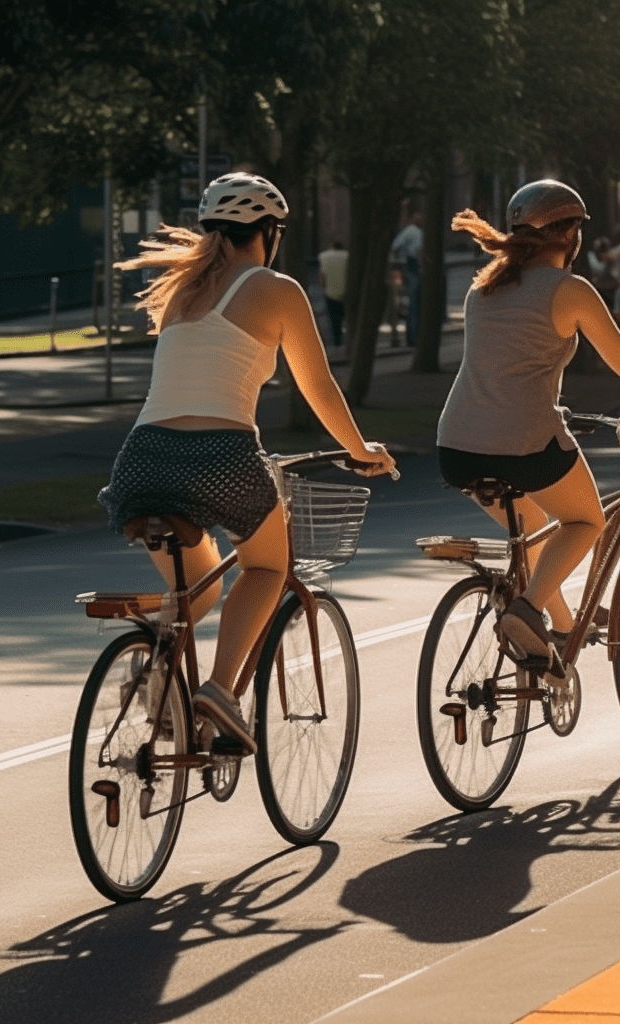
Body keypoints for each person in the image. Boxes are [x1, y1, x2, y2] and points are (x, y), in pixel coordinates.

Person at [98, 173, 396, 753]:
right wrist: (362, 451)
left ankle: (156, 666)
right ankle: (220, 692)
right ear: (266, 232)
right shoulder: (276, 289)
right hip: (222, 458)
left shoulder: (181, 291)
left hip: (142, 459)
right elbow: (319, 387)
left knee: (197, 593)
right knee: (266, 569)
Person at [438, 179, 620, 668]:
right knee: (585, 520)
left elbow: (503, 366)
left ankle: (563, 631)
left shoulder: (483, 288)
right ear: (571, 235)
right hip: (526, 441)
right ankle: (528, 610)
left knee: (536, 534)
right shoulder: (569, 290)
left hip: (457, 446)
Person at [390, 211, 424, 347]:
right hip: (413, 266)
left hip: (411, 265)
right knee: (414, 303)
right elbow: (397, 246)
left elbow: (395, 247)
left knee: (413, 303)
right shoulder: (412, 231)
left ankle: (413, 336)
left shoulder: (412, 231)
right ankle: (412, 337)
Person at [317, 239, 348, 349]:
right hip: (346, 293)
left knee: (335, 321)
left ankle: (337, 343)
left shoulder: (323, 256)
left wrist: (323, 286)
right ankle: (348, 343)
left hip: (330, 293)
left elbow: (322, 279)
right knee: (347, 319)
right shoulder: (347, 256)